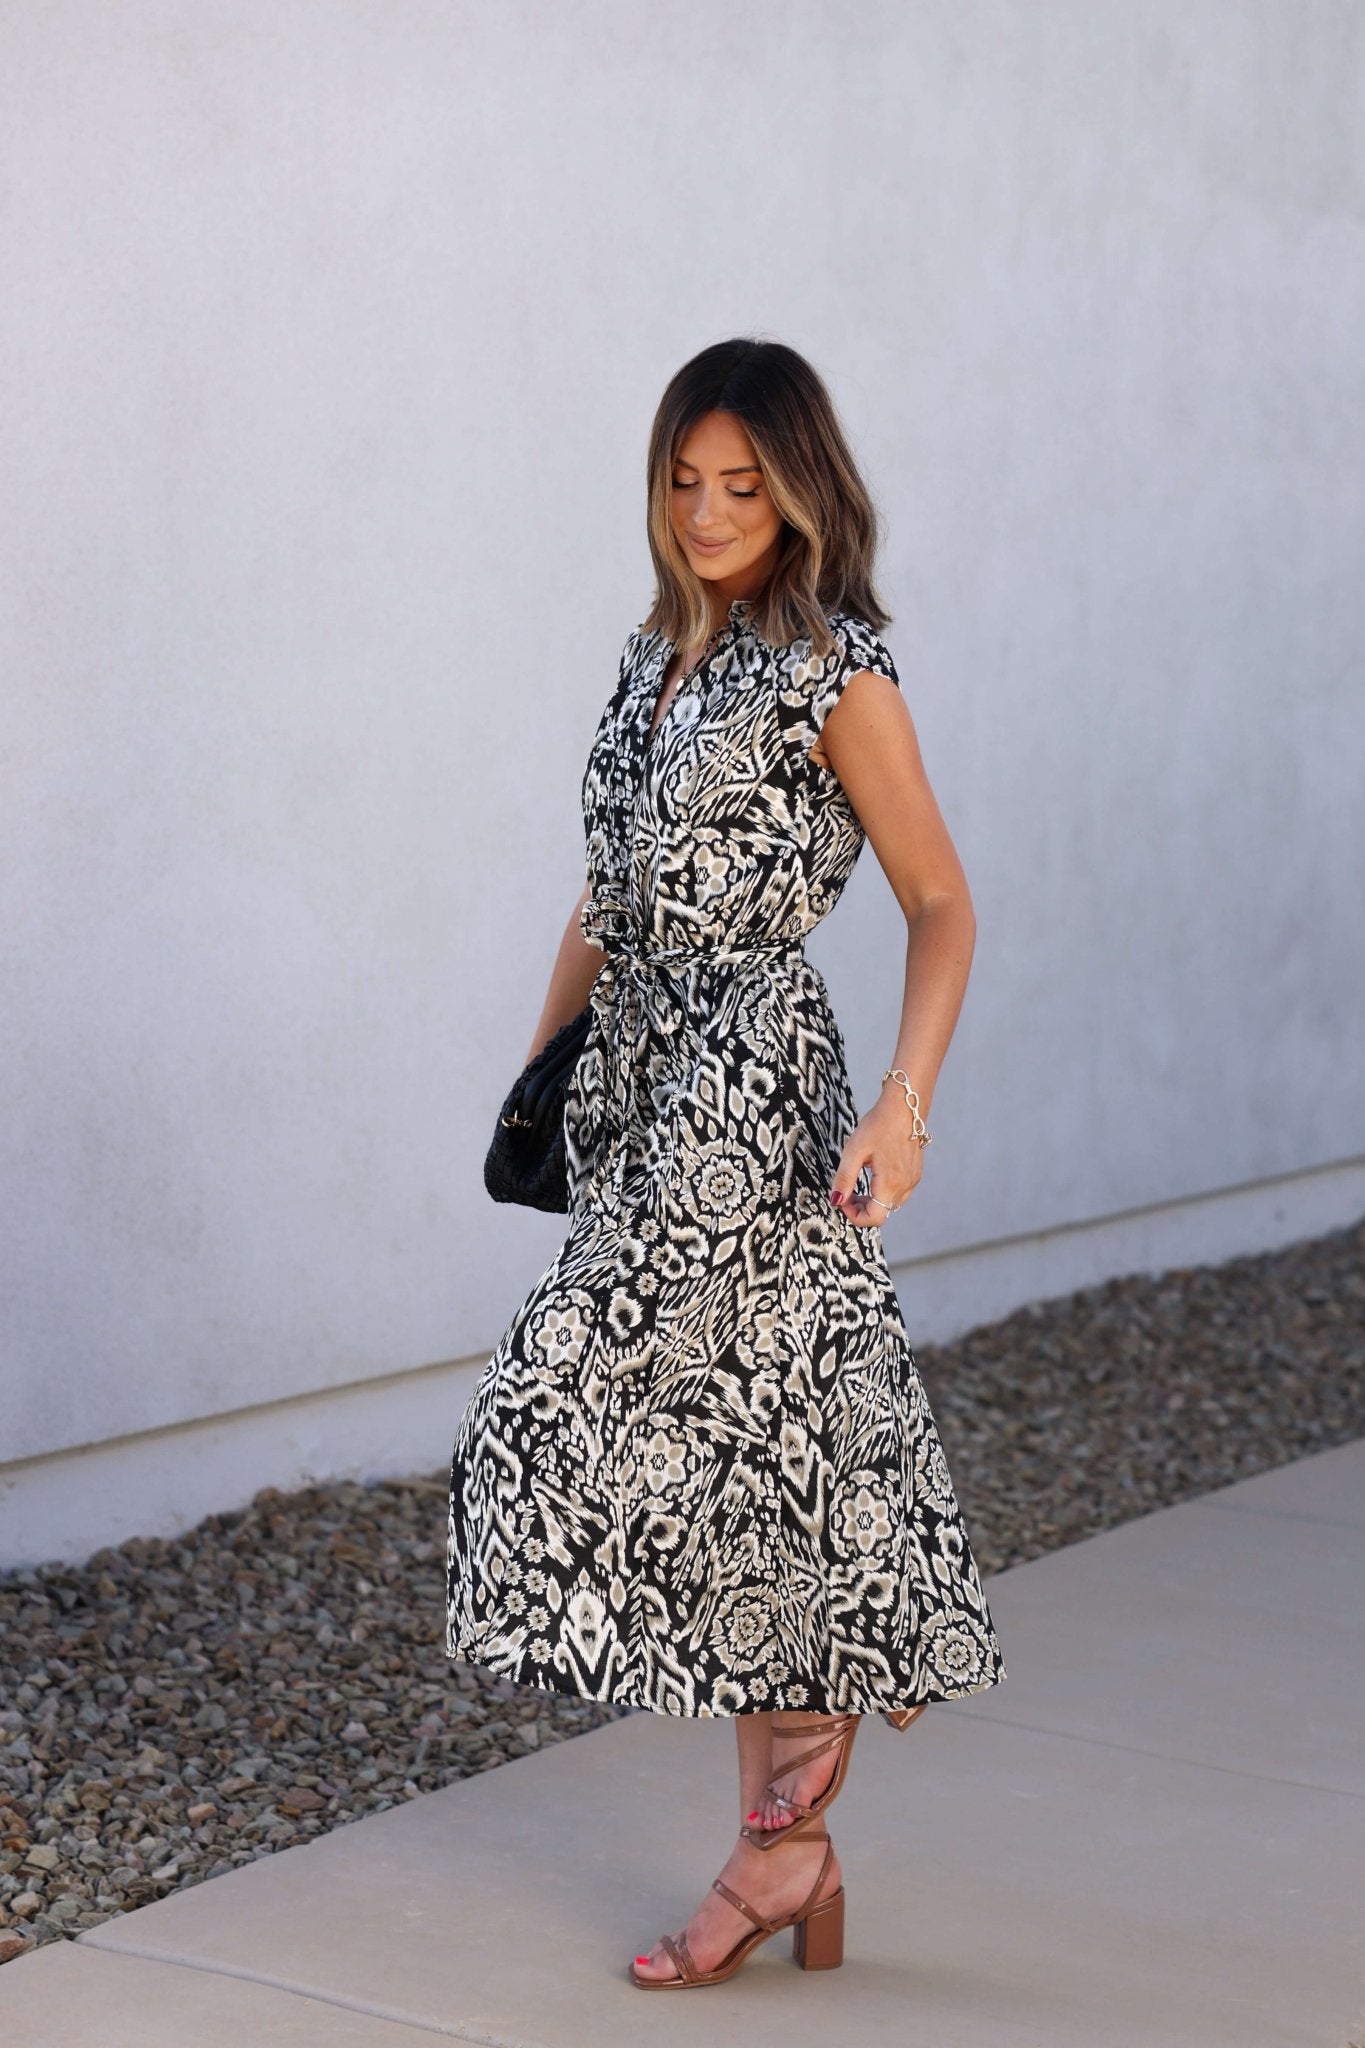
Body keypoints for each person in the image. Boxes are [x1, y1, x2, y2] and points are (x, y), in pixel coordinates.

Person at [446, 337, 1006, 1989]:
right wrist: (539, 1068)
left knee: (548, 1401)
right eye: (683, 481)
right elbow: (598, 900)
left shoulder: (840, 675)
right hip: (636, 1084)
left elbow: (942, 905)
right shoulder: (646, 664)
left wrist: (902, 1106)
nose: (704, 511)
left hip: (754, 1088)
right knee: (742, 1469)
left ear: (800, 490)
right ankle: (792, 1848)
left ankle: (848, 1679)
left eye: (740, 485)